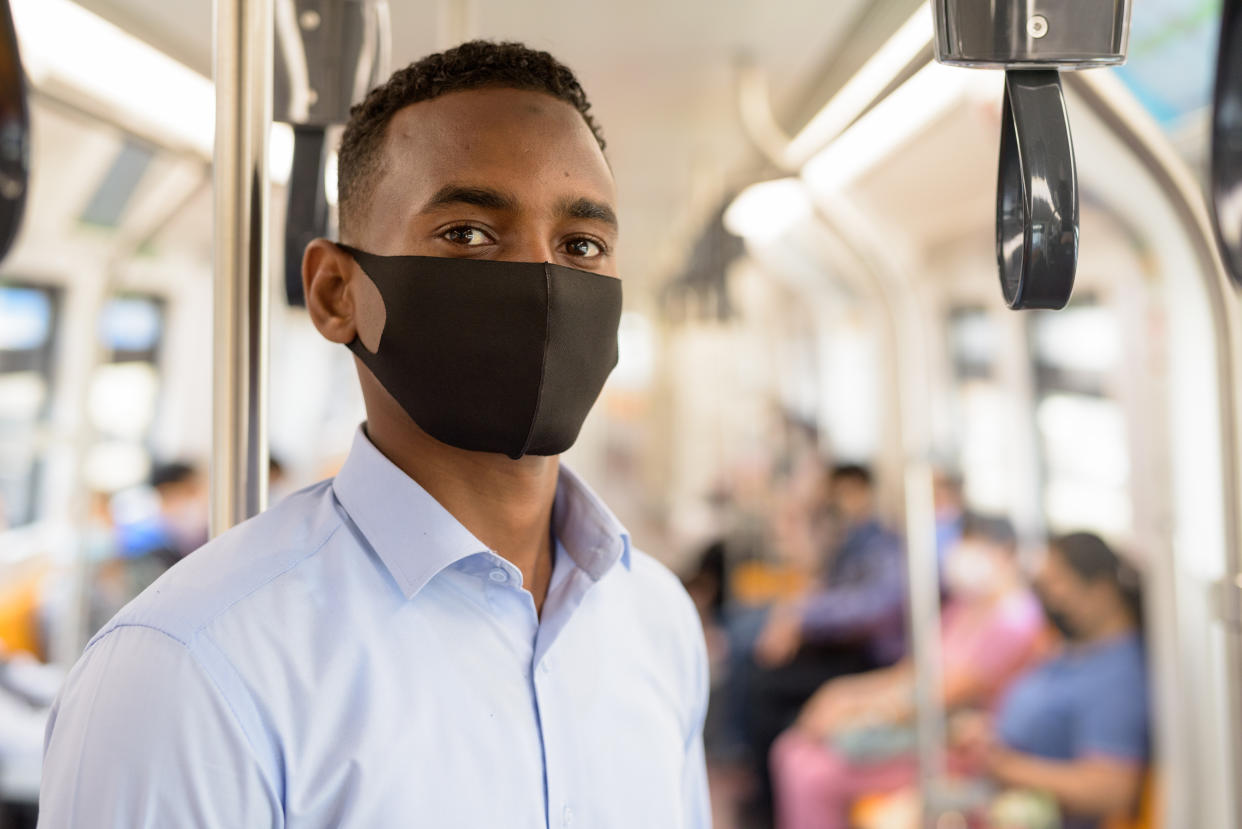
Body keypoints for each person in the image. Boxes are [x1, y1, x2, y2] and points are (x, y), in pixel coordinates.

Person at [39, 41, 709, 828]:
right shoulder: (190, 671)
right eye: (467, 234)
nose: (546, 283)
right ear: (336, 292)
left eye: (582, 246)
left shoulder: (656, 621)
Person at [769, 515, 1044, 829]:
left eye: (975, 543)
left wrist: (857, 713)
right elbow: (910, 671)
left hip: (956, 745)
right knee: (789, 748)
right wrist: (840, 694)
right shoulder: (963, 607)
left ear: (1005, 551)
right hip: (918, 726)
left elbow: (944, 695)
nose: (962, 554)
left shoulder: (1015, 620)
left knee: (811, 772)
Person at [735, 464, 906, 823]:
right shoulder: (850, 540)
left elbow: (870, 608)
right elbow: (819, 580)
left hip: (869, 658)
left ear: (863, 492)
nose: (837, 503)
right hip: (841, 648)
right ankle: (761, 785)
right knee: (753, 658)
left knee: (764, 683)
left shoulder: (883, 545)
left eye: (843, 493)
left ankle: (766, 804)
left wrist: (801, 617)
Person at [967, 531, 1150, 829]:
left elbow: (1110, 791)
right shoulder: (1074, 649)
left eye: (1057, 582)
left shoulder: (1120, 675)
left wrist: (1004, 766)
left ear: (1101, 589)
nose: (1048, 596)